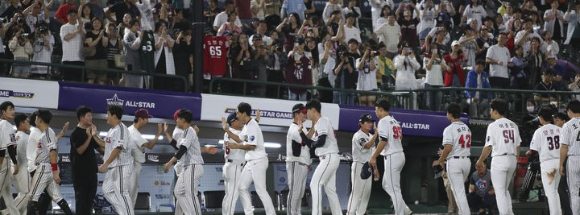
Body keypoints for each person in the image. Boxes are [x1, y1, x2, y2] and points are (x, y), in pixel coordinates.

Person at [223, 102, 276, 215]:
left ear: (244, 113)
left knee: (261, 190)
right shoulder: (247, 125)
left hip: (259, 161)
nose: (236, 115)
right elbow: (238, 138)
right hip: (250, 162)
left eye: (238, 112)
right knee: (241, 187)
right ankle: (249, 213)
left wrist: (237, 147)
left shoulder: (252, 126)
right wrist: (226, 129)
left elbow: (252, 146)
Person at [476, 99, 521, 215]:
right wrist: (515, 161)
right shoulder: (513, 124)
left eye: (491, 109)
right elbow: (518, 147)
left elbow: (488, 146)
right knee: (505, 191)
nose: (490, 112)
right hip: (512, 158)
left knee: (500, 191)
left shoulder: (493, 125)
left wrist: (480, 160)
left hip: (500, 159)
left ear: (495, 111)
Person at [25, 109, 73, 215]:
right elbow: (53, 143)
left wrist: (55, 173)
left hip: (44, 168)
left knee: (32, 197)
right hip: (48, 169)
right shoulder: (48, 132)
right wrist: (63, 132)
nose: (35, 120)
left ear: (40, 119)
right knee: (57, 196)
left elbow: (52, 152)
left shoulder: (46, 133)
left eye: (36, 118)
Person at [369, 99, 413, 215]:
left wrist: (374, 156)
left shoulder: (383, 121)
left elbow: (383, 141)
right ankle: (405, 209)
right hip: (398, 154)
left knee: (394, 189)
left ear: (380, 109)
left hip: (392, 156)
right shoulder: (394, 121)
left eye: (376, 109)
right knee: (386, 184)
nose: (376, 112)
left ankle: (400, 213)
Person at [298, 99, 342, 215]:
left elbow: (321, 141)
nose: (307, 114)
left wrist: (312, 144)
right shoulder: (319, 123)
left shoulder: (322, 120)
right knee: (330, 190)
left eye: (307, 111)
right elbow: (310, 144)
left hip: (328, 157)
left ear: (313, 110)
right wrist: (301, 132)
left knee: (315, 184)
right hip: (329, 157)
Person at [93, 105, 134, 215]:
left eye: (108, 114)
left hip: (122, 165)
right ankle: (123, 213)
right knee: (107, 191)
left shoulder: (121, 128)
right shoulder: (112, 130)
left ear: (114, 116)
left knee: (121, 192)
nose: (107, 117)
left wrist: (105, 164)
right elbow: (107, 146)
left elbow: (118, 148)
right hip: (114, 166)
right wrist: (95, 136)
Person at [163, 109, 204, 214]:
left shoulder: (190, 130)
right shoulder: (185, 133)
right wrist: (166, 132)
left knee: (190, 194)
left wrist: (169, 163)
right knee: (178, 192)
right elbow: (175, 145)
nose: (176, 121)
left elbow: (182, 150)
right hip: (187, 167)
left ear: (183, 120)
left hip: (193, 165)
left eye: (178, 119)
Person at [432, 103, 471, 215]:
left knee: (458, 192)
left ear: (450, 114)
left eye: (447, 113)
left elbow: (448, 148)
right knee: (460, 191)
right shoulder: (466, 128)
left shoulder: (449, 129)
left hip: (455, 162)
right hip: (466, 161)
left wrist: (439, 160)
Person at [528, 106, 562, 215]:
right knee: (554, 192)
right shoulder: (560, 130)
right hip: (559, 162)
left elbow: (533, 151)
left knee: (551, 193)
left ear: (541, 118)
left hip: (548, 164)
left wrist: (528, 153)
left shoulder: (539, 131)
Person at [70, 106, 103, 215]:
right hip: (80, 174)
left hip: (92, 173)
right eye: (88, 116)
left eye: (91, 115)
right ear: (81, 118)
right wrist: (89, 137)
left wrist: (113, 151)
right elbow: (80, 151)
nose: (91, 118)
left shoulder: (90, 132)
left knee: (89, 202)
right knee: (81, 202)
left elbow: (99, 148)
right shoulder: (76, 133)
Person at [128, 109, 161, 208]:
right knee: (130, 197)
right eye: (146, 118)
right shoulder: (133, 132)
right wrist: (158, 134)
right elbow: (150, 146)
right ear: (140, 119)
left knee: (131, 197)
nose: (148, 121)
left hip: (133, 165)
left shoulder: (133, 131)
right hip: (132, 166)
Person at [286, 103, 313, 215]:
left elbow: (307, 141)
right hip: (295, 162)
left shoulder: (303, 127)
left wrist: (308, 162)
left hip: (303, 163)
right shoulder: (294, 129)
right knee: (295, 192)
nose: (305, 114)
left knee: (300, 193)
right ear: (296, 114)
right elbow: (307, 141)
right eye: (303, 112)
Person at [347, 114, 376, 215]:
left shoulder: (371, 136)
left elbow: (373, 155)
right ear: (361, 123)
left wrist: (375, 169)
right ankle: (350, 213)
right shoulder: (358, 135)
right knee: (356, 193)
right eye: (367, 122)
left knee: (365, 195)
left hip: (369, 167)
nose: (370, 124)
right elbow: (367, 146)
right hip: (359, 165)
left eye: (371, 122)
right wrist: (377, 134)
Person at [221, 112, 246, 215]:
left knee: (228, 195)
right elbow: (241, 139)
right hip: (234, 166)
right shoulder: (232, 132)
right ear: (233, 122)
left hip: (230, 166)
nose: (242, 121)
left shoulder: (231, 132)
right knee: (232, 195)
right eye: (239, 119)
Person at [560, 99, 580, 215]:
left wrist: (561, 164)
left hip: (574, 159)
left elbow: (564, 147)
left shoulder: (567, 125)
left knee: (574, 191)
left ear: (569, 111)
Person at [59, 9, 85, 82]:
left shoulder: (80, 27)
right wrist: (77, 31)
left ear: (77, 16)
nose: (73, 17)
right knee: (66, 81)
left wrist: (80, 29)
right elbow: (66, 38)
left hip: (79, 59)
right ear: (67, 17)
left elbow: (85, 38)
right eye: (71, 15)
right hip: (67, 59)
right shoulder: (64, 27)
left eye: (74, 15)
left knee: (78, 82)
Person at [12, 113, 29, 214]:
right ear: (21, 123)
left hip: (14, 168)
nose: (29, 123)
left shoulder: (13, 136)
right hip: (23, 168)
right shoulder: (26, 137)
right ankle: (8, 212)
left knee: (23, 199)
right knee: (26, 194)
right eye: (27, 121)